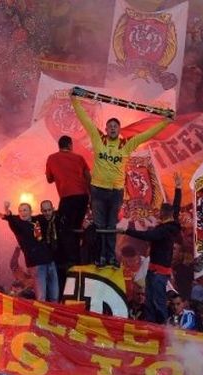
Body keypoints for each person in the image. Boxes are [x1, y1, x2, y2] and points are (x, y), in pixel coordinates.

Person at [71, 89, 170, 267]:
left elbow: (147, 134)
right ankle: (101, 257)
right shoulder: (98, 138)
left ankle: (110, 258)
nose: (113, 129)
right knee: (101, 226)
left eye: (116, 126)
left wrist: (165, 122)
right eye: (110, 126)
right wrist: (75, 101)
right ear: (106, 129)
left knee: (111, 226)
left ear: (119, 129)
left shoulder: (127, 144)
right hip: (98, 190)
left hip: (116, 192)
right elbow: (85, 120)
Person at [119, 172, 182, 323]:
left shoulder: (164, 230)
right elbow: (176, 207)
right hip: (154, 271)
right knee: (149, 303)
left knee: (157, 303)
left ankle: (161, 331)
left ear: (162, 214)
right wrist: (178, 188)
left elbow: (148, 236)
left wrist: (126, 230)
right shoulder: (171, 224)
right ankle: (152, 328)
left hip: (159, 273)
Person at [0, 202, 59, 302]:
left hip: (50, 262)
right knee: (41, 297)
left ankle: (54, 316)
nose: (22, 212)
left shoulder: (37, 219)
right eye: (20, 210)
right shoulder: (18, 225)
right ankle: (41, 317)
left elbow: (50, 215)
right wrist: (6, 211)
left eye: (25, 210)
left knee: (54, 296)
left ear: (31, 211)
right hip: (36, 265)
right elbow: (11, 218)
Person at [45, 135, 91, 265]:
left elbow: (49, 179)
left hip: (67, 197)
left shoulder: (52, 158)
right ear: (70, 145)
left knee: (63, 228)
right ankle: (77, 259)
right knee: (76, 227)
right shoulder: (79, 158)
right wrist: (92, 199)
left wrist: (60, 174)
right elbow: (88, 178)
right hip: (83, 197)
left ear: (59, 146)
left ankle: (68, 260)